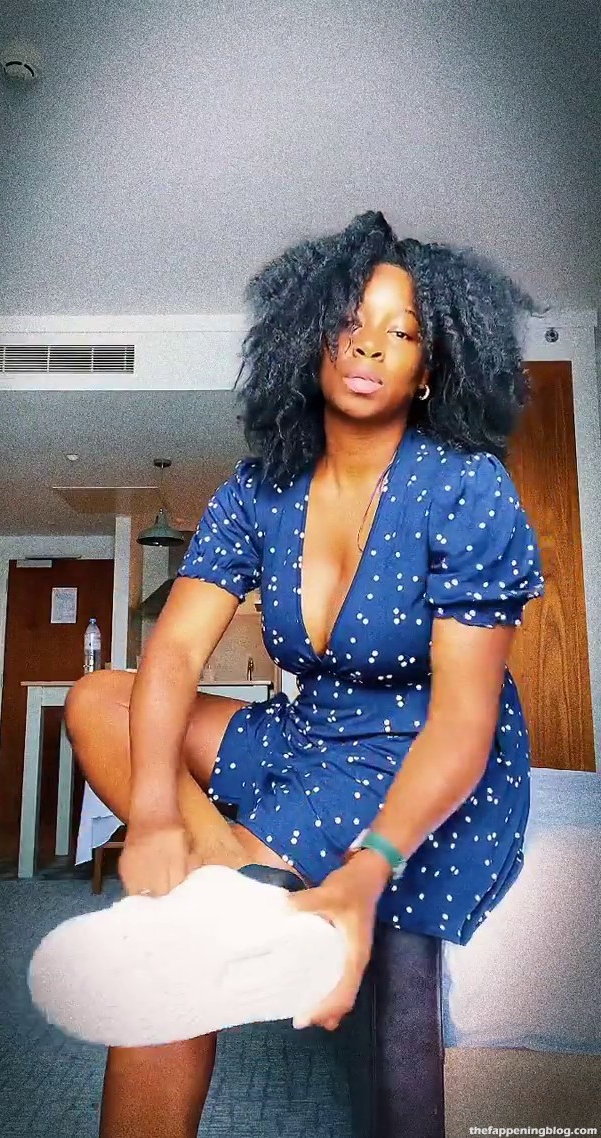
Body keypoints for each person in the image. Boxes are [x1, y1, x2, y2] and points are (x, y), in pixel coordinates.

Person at [65, 209, 544, 1138]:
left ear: (428, 369)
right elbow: (174, 652)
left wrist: (368, 873)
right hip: (306, 736)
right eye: (352, 321)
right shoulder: (258, 487)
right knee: (98, 699)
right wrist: (156, 817)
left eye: (404, 332)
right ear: (312, 338)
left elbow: (462, 723)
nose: (370, 345)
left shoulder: (465, 486)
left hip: (418, 757)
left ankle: (224, 899)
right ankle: (227, 866)